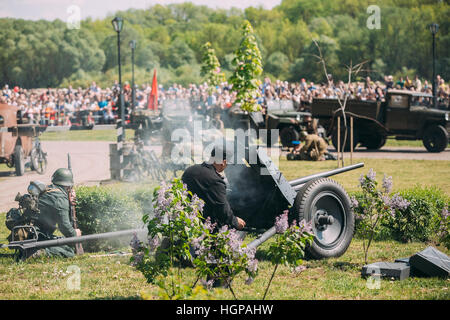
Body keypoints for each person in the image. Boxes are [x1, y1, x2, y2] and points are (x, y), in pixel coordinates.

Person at [182, 142, 246, 230]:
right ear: (223, 162)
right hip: (204, 227)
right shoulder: (216, 181)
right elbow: (222, 210)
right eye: (227, 164)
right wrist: (235, 221)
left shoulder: (190, 170)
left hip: (185, 220)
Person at [30, 169, 81, 258]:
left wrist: (68, 201)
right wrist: (75, 234)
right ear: (68, 187)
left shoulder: (50, 189)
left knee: (63, 245)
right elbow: (64, 226)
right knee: (69, 252)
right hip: (37, 236)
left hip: (33, 233)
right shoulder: (60, 199)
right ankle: (37, 253)